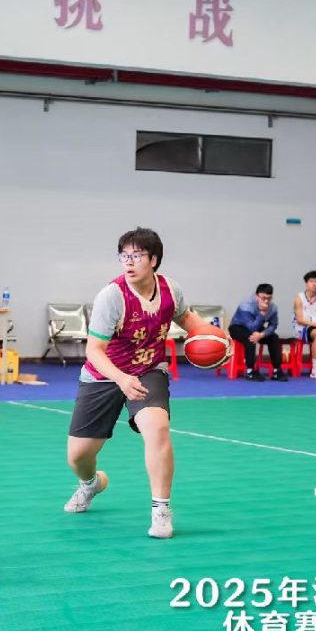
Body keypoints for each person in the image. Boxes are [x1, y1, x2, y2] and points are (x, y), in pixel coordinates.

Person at [64, 227, 215, 539]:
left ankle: (161, 510)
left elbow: (188, 320)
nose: (129, 263)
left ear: (154, 260)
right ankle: (90, 484)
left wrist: (217, 340)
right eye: (124, 256)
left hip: (148, 369)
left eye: (137, 256)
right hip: (105, 374)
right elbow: (94, 350)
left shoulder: (170, 290)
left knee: (157, 428)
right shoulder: (112, 296)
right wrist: (121, 379)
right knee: (78, 456)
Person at [229, 283, 288, 382]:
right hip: (237, 327)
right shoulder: (246, 305)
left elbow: (273, 325)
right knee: (250, 338)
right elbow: (252, 327)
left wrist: (262, 334)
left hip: (257, 328)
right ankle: (250, 371)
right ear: (257, 296)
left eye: (269, 298)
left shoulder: (273, 308)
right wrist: (262, 313)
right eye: (263, 298)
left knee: (274, 337)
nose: (266, 301)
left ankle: (277, 371)